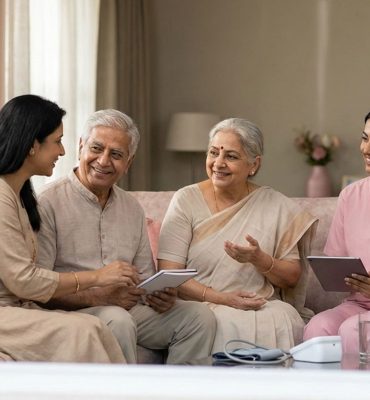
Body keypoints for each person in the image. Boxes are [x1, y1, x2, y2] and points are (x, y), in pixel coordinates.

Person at [36, 108, 216, 364]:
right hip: (74, 313)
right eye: (96, 148)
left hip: (127, 310)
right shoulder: (47, 202)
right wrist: (100, 296)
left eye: (116, 154)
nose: (104, 160)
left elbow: (144, 277)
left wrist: (157, 295)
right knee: (118, 320)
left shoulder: (131, 207)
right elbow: (40, 286)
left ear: (128, 162)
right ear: (80, 147)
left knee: (199, 317)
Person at [158, 117, 318, 353]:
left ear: (254, 164)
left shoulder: (275, 205)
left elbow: (292, 277)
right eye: (213, 153)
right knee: (215, 320)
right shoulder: (186, 200)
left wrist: (259, 259)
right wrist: (223, 298)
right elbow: (169, 274)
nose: (218, 163)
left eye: (231, 156)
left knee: (282, 317)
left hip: (259, 303)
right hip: (200, 305)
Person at [0, 94, 136, 363]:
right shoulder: (3, 195)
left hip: (18, 309)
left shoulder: (19, 195)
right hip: (7, 313)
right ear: (31, 145)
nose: (62, 152)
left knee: (95, 327)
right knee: (84, 331)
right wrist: (98, 277)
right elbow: (24, 280)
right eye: (57, 141)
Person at [303, 111, 370, 353]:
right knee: (317, 328)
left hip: (359, 319)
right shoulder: (351, 196)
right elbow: (336, 260)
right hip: (358, 303)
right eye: (365, 138)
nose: (366, 149)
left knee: (354, 331)